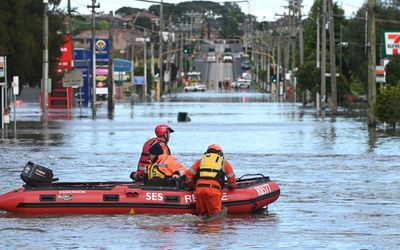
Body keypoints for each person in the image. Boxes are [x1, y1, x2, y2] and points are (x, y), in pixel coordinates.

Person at [185, 144, 236, 219]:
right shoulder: (223, 162)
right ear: (220, 153)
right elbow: (232, 181)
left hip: (199, 190)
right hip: (213, 190)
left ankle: (202, 229)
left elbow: (188, 176)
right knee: (215, 218)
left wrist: (193, 186)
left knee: (201, 216)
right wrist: (231, 186)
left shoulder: (201, 161)